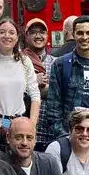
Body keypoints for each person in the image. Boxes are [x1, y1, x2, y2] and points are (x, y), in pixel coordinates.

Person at [45, 16, 89, 141]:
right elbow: (53, 107)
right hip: (69, 136)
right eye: (80, 33)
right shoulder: (60, 64)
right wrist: (63, 136)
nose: (84, 37)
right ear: (73, 34)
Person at [0, 18, 40, 133]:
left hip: (20, 123)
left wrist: (31, 124)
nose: (7, 36)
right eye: (2, 32)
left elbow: (35, 94)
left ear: (17, 38)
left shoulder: (25, 61)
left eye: (12, 33)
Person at [24, 19, 54, 152]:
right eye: (33, 33)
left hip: (50, 131)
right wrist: (33, 82)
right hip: (25, 128)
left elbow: (59, 92)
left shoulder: (56, 63)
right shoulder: (18, 61)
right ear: (26, 36)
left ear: (47, 36)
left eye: (42, 32)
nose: (38, 36)